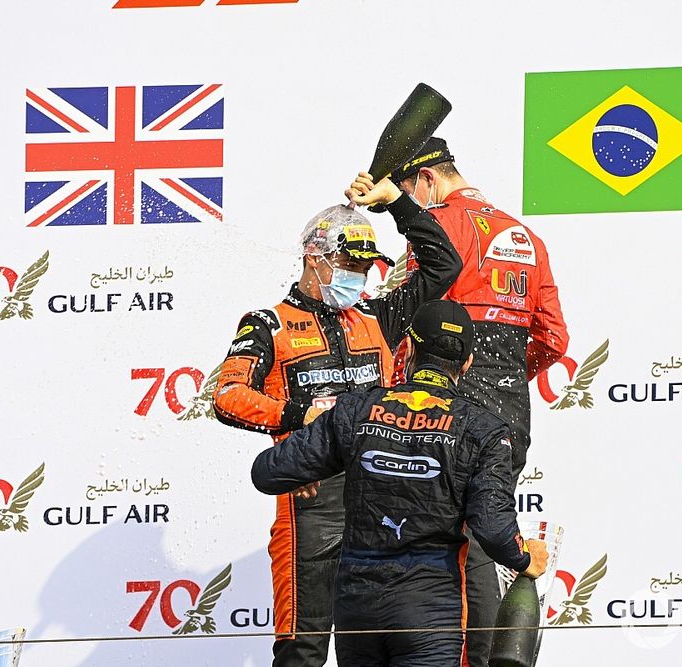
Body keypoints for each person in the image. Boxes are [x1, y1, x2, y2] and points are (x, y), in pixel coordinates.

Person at [213, 175, 462, 667]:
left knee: (373, 642)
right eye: (350, 265)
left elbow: (443, 263)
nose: (360, 276)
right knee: (302, 647)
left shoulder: (377, 316)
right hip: (310, 498)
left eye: (366, 267)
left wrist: (395, 201)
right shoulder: (268, 323)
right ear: (314, 259)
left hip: (381, 498)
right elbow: (228, 396)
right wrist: (299, 416)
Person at [251, 300, 549, 666]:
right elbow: (492, 525)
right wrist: (523, 558)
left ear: (407, 348)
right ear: (467, 363)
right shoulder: (483, 430)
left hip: (358, 609)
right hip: (428, 610)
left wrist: (303, 471)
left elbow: (268, 472)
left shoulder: (354, 409)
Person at [388, 137, 570, 665]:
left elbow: (413, 323)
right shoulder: (526, 235)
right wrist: (509, 374)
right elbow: (555, 339)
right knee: (489, 538)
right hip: (509, 408)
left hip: (448, 398)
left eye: (408, 193)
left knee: (451, 550)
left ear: (425, 180)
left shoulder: (438, 226)